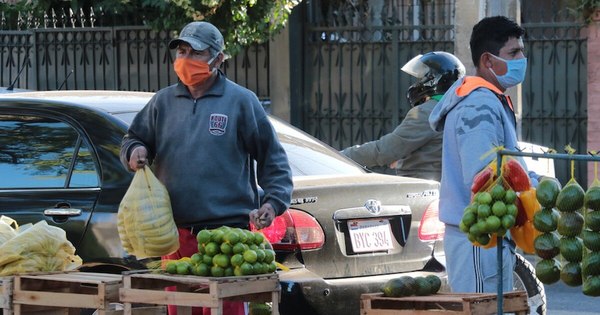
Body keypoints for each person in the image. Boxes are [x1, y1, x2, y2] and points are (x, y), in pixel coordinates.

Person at [119, 21, 293, 315]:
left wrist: (273, 203)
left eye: (195, 53)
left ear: (218, 59)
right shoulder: (163, 101)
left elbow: (273, 160)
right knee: (181, 309)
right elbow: (133, 138)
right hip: (177, 236)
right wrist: (135, 151)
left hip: (228, 241)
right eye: (181, 51)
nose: (185, 60)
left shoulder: (241, 102)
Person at [428, 16, 530, 294]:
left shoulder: (490, 98)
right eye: (513, 53)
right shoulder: (478, 105)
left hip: (490, 236)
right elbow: (483, 178)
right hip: (478, 238)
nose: (522, 58)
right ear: (487, 60)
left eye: (522, 50)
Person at [340, 51, 465, 182]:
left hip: (419, 185)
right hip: (445, 184)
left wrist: (339, 156)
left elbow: (384, 150)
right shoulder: (457, 107)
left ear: (434, 79)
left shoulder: (428, 112)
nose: (418, 83)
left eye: (422, 78)